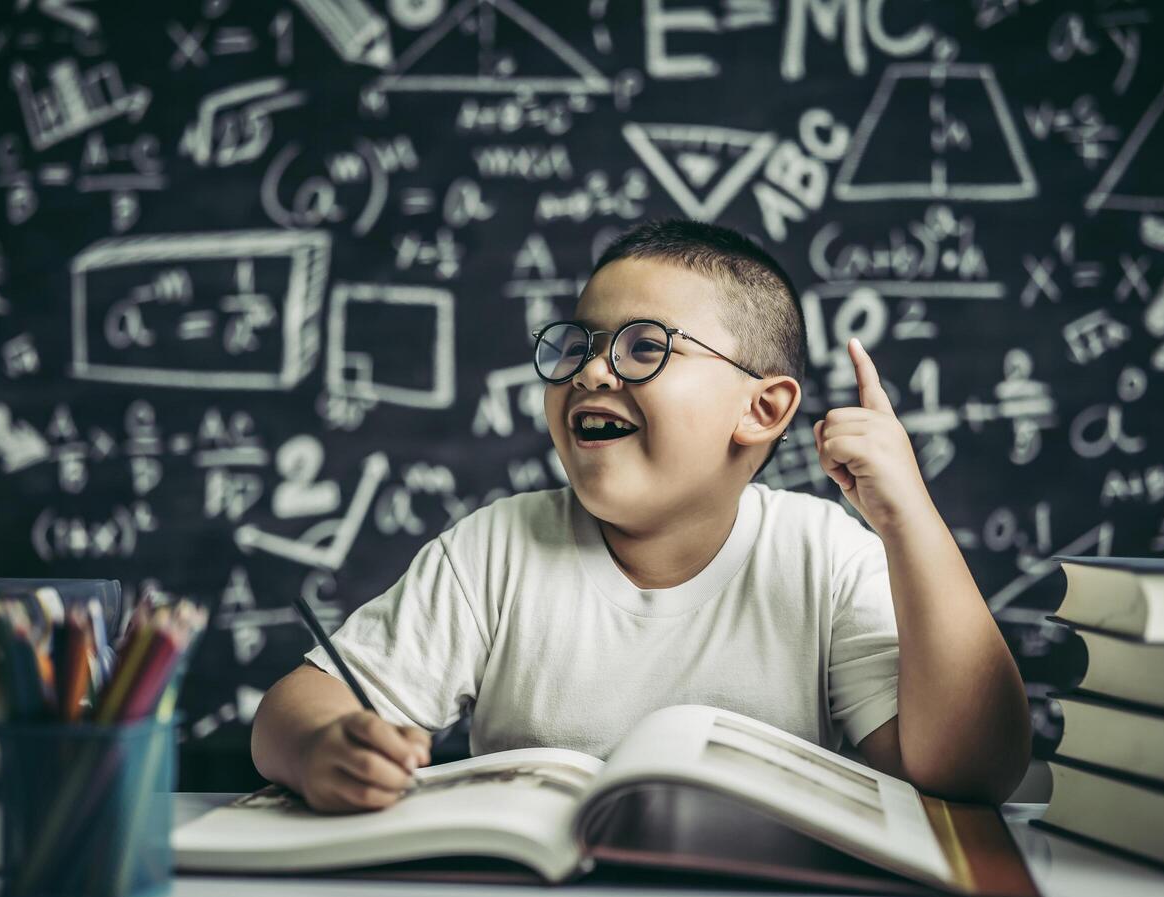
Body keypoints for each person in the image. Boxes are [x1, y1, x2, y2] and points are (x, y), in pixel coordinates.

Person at [251, 218, 1031, 814]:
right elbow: (289, 712)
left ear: (762, 409)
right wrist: (324, 745)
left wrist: (910, 521)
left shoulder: (823, 553)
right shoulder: (496, 549)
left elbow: (969, 768)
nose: (592, 370)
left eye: (644, 348)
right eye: (579, 344)